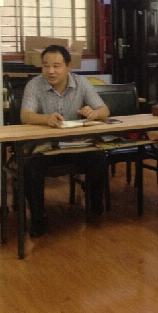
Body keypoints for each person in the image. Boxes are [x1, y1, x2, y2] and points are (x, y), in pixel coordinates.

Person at [20, 45, 110, 238]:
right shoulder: (34, 85)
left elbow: (104, 110)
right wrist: (46, 119)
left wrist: (93, 113)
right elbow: (25, 115)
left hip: (76, 145)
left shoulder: (81, 83)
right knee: (30, 168)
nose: (50, 71)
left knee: (99, 158)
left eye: (56, 65)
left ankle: (94, 204)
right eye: (46, 66)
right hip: (45, 147)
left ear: (69, 66)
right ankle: (38, 217)